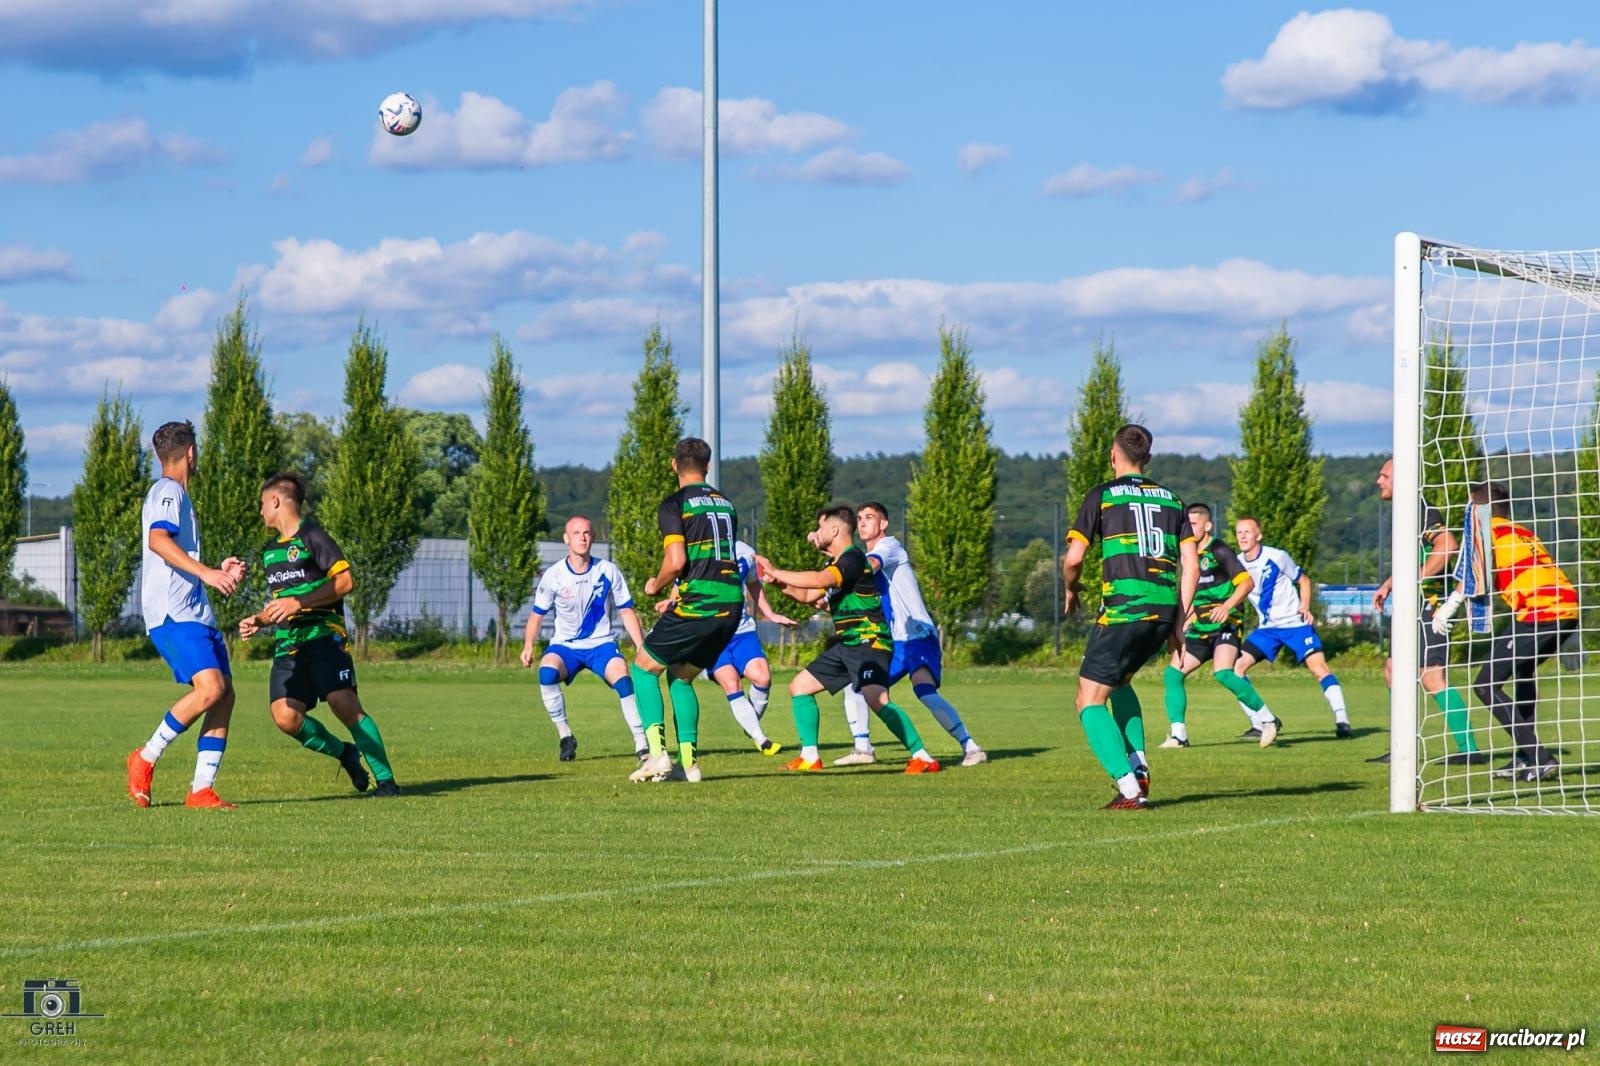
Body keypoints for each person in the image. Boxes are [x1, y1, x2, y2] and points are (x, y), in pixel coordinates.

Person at [238, 472, 399, 797]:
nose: (260, 511)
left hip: (324, 636)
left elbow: (345, 582)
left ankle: (386, 782)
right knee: (285, 717)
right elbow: (283, 604)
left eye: (262, 503)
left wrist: (299, 602)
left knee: (343, 703)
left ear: (275, 501)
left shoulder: (313, 536)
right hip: (289, 644)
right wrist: (259, 619)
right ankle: (346, 754)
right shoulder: (270, 553)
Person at [1062, 424, 1198, 809]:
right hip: (1163, 613)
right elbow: (1191, 565)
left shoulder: (1103, 495)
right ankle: (1139, 768)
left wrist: (1071, 587)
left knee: (1088, 700)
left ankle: (1128, 788)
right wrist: (1178, 621)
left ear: (1113, 454)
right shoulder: (1173, 500)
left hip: (1124, 611)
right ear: (1147, 458)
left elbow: (1073, 559)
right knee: (1120, 684)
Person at [756, 505, 941, 773]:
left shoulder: (853, 559)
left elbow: (818, 580)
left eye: (820, 527)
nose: (816, 532)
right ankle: (810, 757)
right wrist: (776, 582)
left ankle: (922, 756)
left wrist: (777, 570)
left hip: (870, 642)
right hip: (848, 644)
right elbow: (807, 596)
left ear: (834, 530)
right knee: (799, 687)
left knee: (877, 699)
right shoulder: (835, 564)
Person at [125, 420, 246, 810]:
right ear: (191, 453)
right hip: (173, 614)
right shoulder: (168, 490)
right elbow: (157, 540)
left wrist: (216, 570)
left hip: (196, 612)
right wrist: (208, 573)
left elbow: (177, 553)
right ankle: (145, 757)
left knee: (223, 695)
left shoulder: (178, 496)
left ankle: (201, 790)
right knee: (210, 690)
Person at [1434, 481, 1575, 782]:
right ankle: (1524, 757)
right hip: (1566, 608)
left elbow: (1472, 577)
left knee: (1485, 685)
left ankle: (1539, 757)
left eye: (1469, 506)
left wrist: (1448, 608)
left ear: (1478, 509)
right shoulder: (1521, 531)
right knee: (1523, 671)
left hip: (1539, 611)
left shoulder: (1485, 531)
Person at [626, 437, 744, 784]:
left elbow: (677, 561)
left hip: (700, 604)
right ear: (707, 466)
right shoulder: (726, 504)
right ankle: (689, 767)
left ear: (674, 465)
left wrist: (655, 584)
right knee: (680, 675)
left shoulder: (675, 504)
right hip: (732, 604)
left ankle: (657, 755)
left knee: (643, 668)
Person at [836, 502, 986, 767]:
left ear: (883, 524)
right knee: (857, 685)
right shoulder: (861, 558)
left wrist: (833, 565)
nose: (862, 522)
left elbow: (868, 566)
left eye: (869, 517)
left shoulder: (889, 547)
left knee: (924, 689)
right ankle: (863, 749)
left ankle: (972, 748)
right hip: (892, 640)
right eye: (859, 518)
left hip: (916, 634)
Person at [1370, 458, 1481, 765]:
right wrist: (1390, 584)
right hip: (1414, 607)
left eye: (1385, 476)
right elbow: (1416, 557)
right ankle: (1402, 746)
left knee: (1432, 677)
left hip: (1430, 608)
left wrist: (1415, 579)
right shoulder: (1405, 513)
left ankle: (1469, 749)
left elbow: (1448, 545)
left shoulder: (1421, 510)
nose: (1379, 481)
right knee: (1393, 670)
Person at [520, 515, 648, 762]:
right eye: (576, 533)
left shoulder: (607, 570)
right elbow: (536, 615)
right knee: (546, 673)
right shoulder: (554, 575)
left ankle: (641, 744)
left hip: (601, 644)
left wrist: (640, 645)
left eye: (587, 533)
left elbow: (626, 610)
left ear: (593, 537)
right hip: (565, 646)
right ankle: (566, 736)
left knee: (623, 679)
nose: (582, 538)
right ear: (566, 539)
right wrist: (528, 645)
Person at [1158, 502, 1272, 748]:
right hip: (1201, 627)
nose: (1188, 529)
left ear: (1208, 525)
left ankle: (1268, 720)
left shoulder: (1219, 550)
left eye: (1193, 524)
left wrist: (1227, 606)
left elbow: (1246, 583)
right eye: (1186, 525)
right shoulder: (1188, 554)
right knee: (1173, 674)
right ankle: (1179, 735)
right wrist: (1182, 622)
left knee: (1223, 673)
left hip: (1225, 625)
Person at [1232, 517, 1348, 746]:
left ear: (1258, 535)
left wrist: (1305, 606)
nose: (1242, 536)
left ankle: (1342, 721)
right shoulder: (1236, 563)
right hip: (1267, 629)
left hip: (1295, 625)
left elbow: (1304, 580)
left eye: (1247, 531)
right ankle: (1260, 723)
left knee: (1319, 669)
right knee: (1235, 669)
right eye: (1239, 532)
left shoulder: (1277, 556)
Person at [704, 538, 793, 756]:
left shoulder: (744, 551)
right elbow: (679, 586)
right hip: (710, 635)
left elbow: (753, 584)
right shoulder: (698, 548)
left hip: (742, 631)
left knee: (763, 678)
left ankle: (749, 724)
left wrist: (770, 614)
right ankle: (762, 739)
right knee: (732, 683)